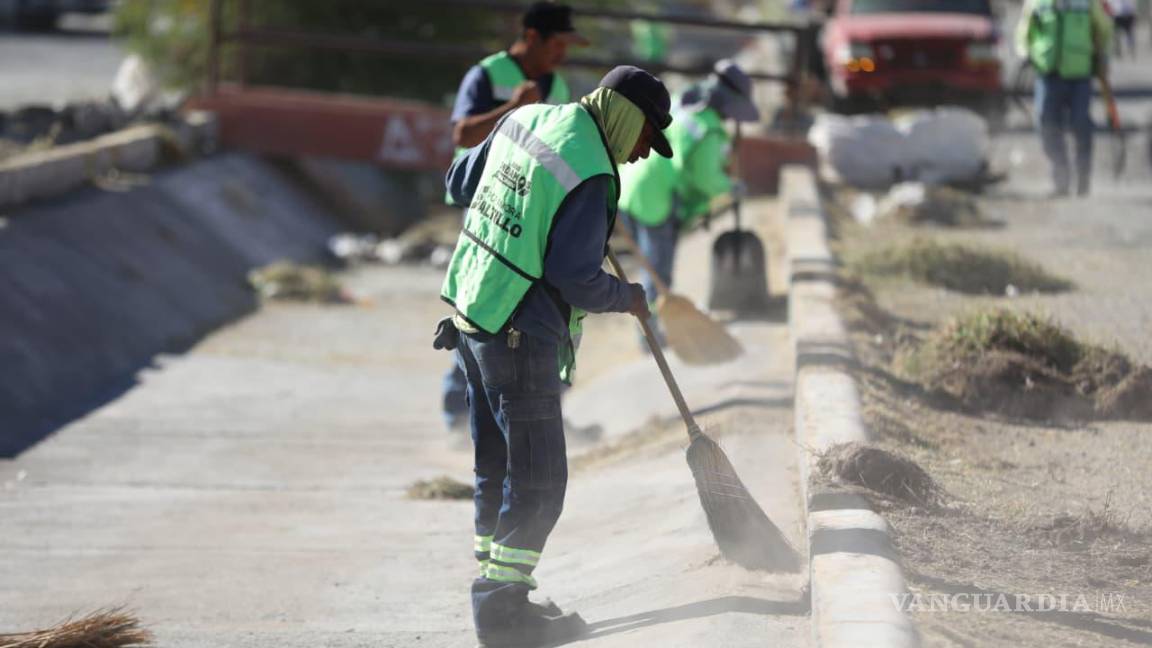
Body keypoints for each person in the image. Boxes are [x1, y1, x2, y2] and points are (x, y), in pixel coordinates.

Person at [434, 65, 673, 648]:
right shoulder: (592, 171)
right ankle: (501, 614)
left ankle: (498, 591)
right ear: (625, 115)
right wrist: (631, 296)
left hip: (471, 311)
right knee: (539, 482)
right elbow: (575, 279)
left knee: (498, 465)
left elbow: (459, 182)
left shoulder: (529, 118)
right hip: (519, 331)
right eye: (646, 136)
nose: (643, 153)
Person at [441, 2, 588, 432]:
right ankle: (457, 409)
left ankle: (537, 411)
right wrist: (512, 107)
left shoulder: (557, 84)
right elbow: (462, 134)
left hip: (532, 211)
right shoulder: (486, 75)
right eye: (558, 43)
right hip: (487, 208)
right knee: (476, 303)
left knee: (535, 307)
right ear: (532, 36)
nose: (562, 53)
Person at [616, 60, 759, 342]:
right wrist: (733, 187)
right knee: (659, 271)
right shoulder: (710, 129)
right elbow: (706, 179)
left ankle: (648, 329)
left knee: (646, 266)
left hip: (630, 183)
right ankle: (651, 336)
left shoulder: (684, 102)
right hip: (655, 198)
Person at [1016, 0, 1113, 197]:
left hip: (1080, 75)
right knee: (1046, 124)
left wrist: (1102, 55)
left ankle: (1083, 176)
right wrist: (1026, 53)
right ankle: (1061, 176)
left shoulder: (1087, 3)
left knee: (1080, 124)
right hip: (1048, 74)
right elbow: (1023, 34)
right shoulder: (1036, 3)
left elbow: (1104, 29)